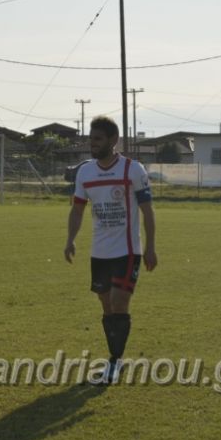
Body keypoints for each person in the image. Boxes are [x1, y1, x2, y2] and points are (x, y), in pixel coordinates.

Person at [64, 116, 157, 384]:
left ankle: (115, 363)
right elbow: (77, 209)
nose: (92, 144)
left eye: (97, 139)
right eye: (91, 139)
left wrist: (150, 248)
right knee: (106, 305)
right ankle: (114, 356)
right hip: (99, 252)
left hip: (128, 250)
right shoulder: (85, 172)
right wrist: (70, 239)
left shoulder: (132, 169)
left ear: (113, 140)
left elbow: (147, 211)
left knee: (119, 302)